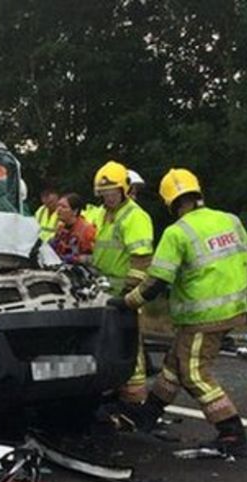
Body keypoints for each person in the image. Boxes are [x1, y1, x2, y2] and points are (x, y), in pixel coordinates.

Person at [107, 168, 247, 458]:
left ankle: (232, 433)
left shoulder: (177, 233)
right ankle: (147, 416)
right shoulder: (231, 220)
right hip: (233, 308)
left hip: (202, 316)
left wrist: (127, 302)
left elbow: (156, 282)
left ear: (170, 202)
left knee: (194, 373)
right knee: (174, 365)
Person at [92, 160, 154, 405]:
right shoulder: (100, 214)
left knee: (130, 342)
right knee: (108, 340)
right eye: (104, 194)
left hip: (124, 294)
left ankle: (134, 398)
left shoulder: (135, 217)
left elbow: (142, 259)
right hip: (102, 291)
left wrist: (130, 293)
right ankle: (112, 390)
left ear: (124, 190)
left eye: (112, 192)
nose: (108, 198)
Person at [49, 193, 96, 264]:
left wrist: (75, 259)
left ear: (75, 211)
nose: (58, 210)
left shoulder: (87, 230)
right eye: (58, 206)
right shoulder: (61, 228)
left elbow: (93, 258)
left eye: (64, 207)